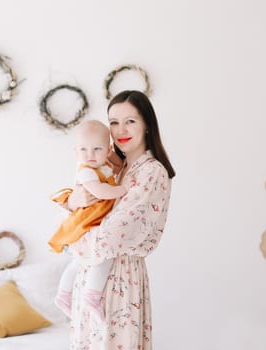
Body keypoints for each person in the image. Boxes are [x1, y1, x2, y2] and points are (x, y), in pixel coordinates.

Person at [65, 90, 175, 350]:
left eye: (130, 121)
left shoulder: (152, 172)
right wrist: (73, 202)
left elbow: (111, 237)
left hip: (120, 280)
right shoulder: (112, 169)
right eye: (113, 122)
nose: (120, 129)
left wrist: (72, 241)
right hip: (91, 275)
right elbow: (73, 211)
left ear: (147, 124)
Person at [49, 119, 129, 321]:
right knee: (102, 257)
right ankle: (92, 296)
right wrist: (122, 190)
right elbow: (99, 191)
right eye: (84, 149)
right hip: (87, 222)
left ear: (108, 150)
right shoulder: (85, 170)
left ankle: (63, 294)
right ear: (76, 152)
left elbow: (118, 168)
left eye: (97, 149)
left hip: (95, 220)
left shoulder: (105, 167)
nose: (90, 155)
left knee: (80, 260)